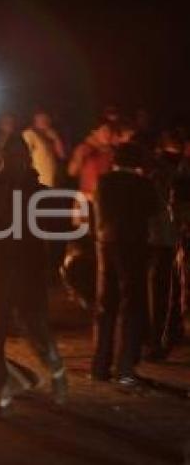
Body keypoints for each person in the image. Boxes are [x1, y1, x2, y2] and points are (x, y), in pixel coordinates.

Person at [0, 111, 68, 417]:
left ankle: (3, 397)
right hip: (30, 273)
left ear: (3, 159)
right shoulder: (43, 194)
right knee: (36, 330)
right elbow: (57, 236)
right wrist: (51, 268)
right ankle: (56, 370)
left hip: (1, 272)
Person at [91, 143, 159, 385]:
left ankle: (100, 365)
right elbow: (154, 213)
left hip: (105, 244)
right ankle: (126, 367)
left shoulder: (103, 181)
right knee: (132, 305)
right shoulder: (143, 184)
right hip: (133, 246)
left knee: (105, 304)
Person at [145, 130, 184, 360]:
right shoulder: (165, 175)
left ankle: (160, 339)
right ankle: (160, 340)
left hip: (161, 240)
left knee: (162, 293)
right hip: (161, 240)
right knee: (162, 292)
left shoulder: (163, 174)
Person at [68, 122, 114, 202]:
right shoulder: (85, 148)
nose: (108, 134)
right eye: (104, 131)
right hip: (86, 198)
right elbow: (72, 172)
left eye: (110, 132)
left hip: (105, 199)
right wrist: (79, 156)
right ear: (94, 132)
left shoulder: (112, 152)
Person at [22, 109, 66, 187]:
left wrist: (56, 139)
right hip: (39, 182)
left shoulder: (50, 136)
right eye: (42, 119)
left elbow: (62, 155)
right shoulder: (30, 134)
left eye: (47, 119)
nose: (46, 121)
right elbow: (24, 156)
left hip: (53, 181)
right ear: (35, 120)